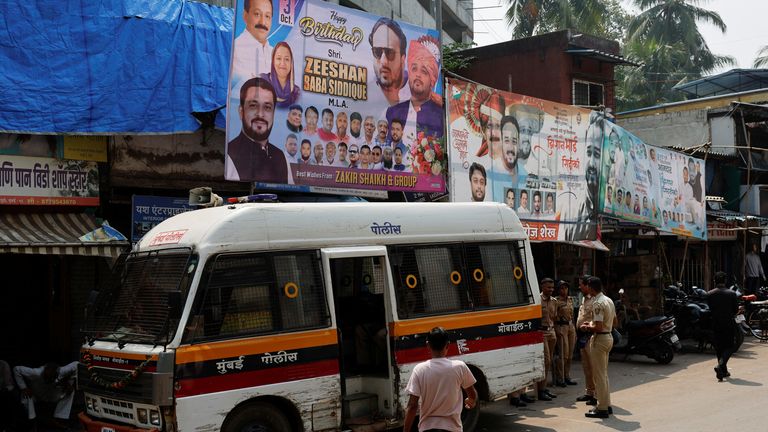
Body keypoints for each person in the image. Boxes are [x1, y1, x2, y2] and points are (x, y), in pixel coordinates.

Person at [403, 327, 477, 432]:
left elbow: (412, 405)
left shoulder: (419, 370)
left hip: (427, 428)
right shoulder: (460, 367)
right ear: (447, 345)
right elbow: (472, 394)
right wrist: (471, 401)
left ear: (428, 345)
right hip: (452, 428)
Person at [225, 77, 288, 183]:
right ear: (241, 111)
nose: (260, 114)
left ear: (273, 114)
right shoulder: (230, 155)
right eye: (253, 106)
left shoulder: (280, 156)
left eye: (267, 107)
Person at [385, 36, 444, 143]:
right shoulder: (393, 112)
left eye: (424, 71)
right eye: (414, 68)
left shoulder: (440, 116)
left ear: (432, 80)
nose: (417, 75)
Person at [579, 277, 615, 418]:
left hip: (600, 339)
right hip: (608, 336)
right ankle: (607, 404)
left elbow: (598, 327)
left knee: (599, 375)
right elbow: (615, 321)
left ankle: (602, 408)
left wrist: (588, 327)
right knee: (603, 375)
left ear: (591, 288)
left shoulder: (598, 303)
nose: (586, 289)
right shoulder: (608, 300)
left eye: (587, 286)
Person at [566, 113, 603, 241]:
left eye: (597, 155)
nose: (591, 163)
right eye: (589, 153)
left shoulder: (606, 207)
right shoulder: (570, 213)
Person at [13, 361, 78, 425]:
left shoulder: (62, 371)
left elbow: (77, 364)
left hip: (51, 394)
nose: (48, 380)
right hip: (36, 395)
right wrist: (23, 387)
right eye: (47, 378)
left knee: (70, 392)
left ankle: (59, 417)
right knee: (25, 395)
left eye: (52, 378)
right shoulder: (35, 372)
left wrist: (70, 383)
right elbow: (16, 369)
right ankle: (32, 420)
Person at [369, 17, 409, 106]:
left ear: (403, 59)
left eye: (390, 53)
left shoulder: (419, 97)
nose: (383, 62)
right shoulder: (362, 97)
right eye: (377, 52)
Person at [707, 271, 739, 381]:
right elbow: (735, 310)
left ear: (714, 281)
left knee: (719, 347)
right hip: (728, 323)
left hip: (715, 323)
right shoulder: (731, 294)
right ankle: (720, 366)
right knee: (730, 346)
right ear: (725, 281)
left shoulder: (710, 294)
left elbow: (710, 309)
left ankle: (723, 372)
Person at [232, 0, 273, 80]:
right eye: (257, 14)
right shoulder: (235, 49)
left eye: (267, 16)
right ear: (245, 15)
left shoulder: (275, 54)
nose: (263, 22)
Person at [575, 275, 596, 405]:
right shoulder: (584, 298)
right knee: (586, 366)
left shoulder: (595, 300)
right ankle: (589, 392)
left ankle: (596, 395)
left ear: (588, 285)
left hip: (591, 336)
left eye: (581, 284)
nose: (579, 287)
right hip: (582, 336)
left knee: (593, 367)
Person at [260, 41, 300, 108]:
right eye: (278, 58)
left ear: (291, 63)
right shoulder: (262, 81)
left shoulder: (296, 92)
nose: (282, 63)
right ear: (273, 61)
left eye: (287, 59)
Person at [538, 278, 558, 401]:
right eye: (548, 287)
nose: (551, 290)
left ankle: (544, 388)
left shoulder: (554, 301)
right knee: (545, 361)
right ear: (542, 287)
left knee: (549, 362)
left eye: (552, 287)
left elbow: (554, 317)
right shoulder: (537, 299)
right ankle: (540, 391)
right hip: (542, 333)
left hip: (551, 332)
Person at [555, 280, 577, 387]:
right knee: (564, 354)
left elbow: (573, 314)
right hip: (561, 326)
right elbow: (553, 316)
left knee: (570, 355)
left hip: (570, 326)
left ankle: (567, 376)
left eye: (566, 288)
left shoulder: (570, 299)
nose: (564, 290)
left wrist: (574, 328)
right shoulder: (556, 301)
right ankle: (560, 378)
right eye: (562, 288)